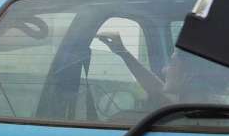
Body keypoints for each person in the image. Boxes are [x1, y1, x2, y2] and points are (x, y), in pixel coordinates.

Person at [97, 32, 229, 104]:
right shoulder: (191, 106)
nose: (164, 70)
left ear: (190, 75)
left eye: (171, 64)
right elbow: (155, 87)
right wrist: (123, 52)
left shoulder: (177, 115)